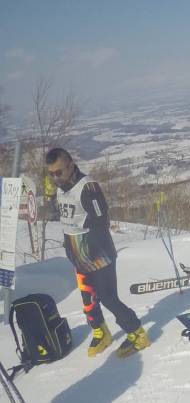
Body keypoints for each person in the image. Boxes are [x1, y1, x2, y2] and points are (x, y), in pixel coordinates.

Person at [45, 148, 150, 358]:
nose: (56, 178)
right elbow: (63, 214)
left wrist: (80, 228)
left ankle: (137, 333)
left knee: (107, 297)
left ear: (71, 165)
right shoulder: (60, 188)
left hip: (98, 251)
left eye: (59, 172)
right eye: (51, 174)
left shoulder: (88, 187)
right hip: (76, 251)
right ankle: (100, 332)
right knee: (87, 297)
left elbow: (102, 220)